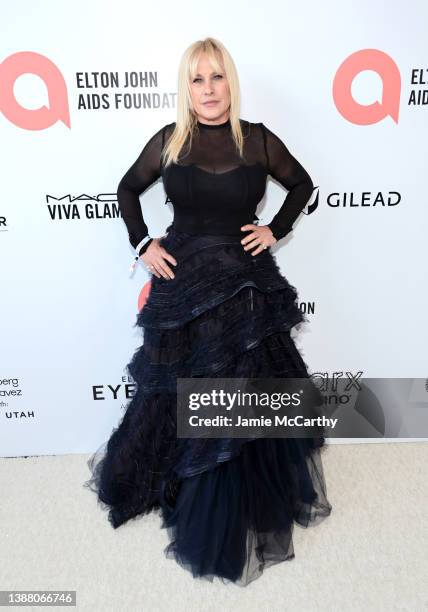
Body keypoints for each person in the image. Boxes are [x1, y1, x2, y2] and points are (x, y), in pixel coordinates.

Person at [84, 37, 332, 587]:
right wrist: (143, 243)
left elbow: (302, 185)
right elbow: (127, 189)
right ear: (186, 88)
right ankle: (187, 482)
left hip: (245, 283)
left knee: (245, 390)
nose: (209, 89)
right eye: (197, 79)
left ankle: (233, 491)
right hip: (184, 278)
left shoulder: (259, 140)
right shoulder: (171, 141)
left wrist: (275, 230)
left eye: (217, 77)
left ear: (230, 83)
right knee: (180, 391)